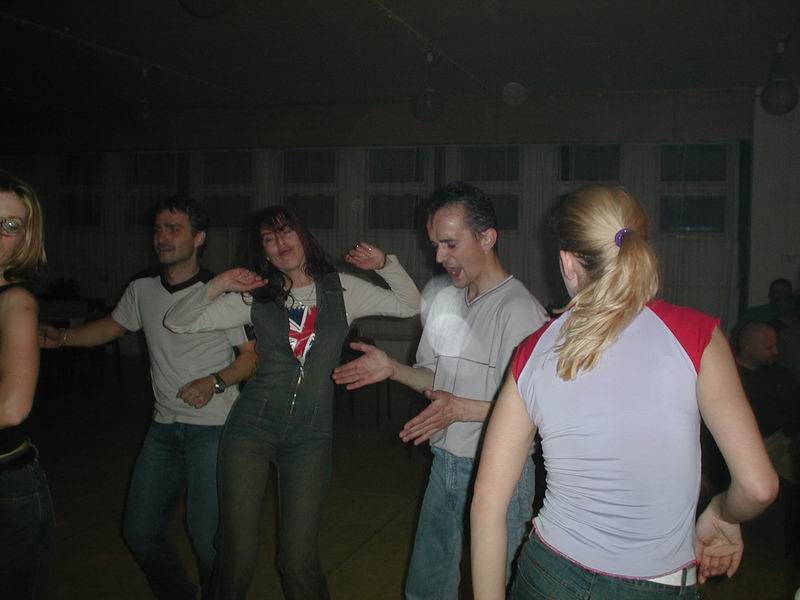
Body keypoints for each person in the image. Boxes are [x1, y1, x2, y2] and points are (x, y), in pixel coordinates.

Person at [470, 184, 779, 600]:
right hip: (656, 586)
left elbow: (487, 507)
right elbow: (759, 487)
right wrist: (723, 513)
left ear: (567, 262)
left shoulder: (533, 352)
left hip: (548, 576)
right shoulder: (697, 336)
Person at [163, 205, 421, 600]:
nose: (280, 242)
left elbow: (410, 305)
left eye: (285, 231)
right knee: (237, 555)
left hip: (309, 438)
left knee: (297, 559)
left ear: (302, 236)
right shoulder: (255, 297)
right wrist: (218, 285)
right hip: (250, 431)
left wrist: (385, 264)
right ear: (264, 253)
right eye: (269, 238)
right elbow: (178, 322)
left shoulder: (342, 289)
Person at [332, 181, 548, 599]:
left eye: (450, 243)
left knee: (499, 588)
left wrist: (460, 409)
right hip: (443, 466)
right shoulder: (445, 300)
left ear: (487, 238)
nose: (439, 257)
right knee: (426, 590)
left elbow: (534, 413)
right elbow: (436, 382)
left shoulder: (520, 312)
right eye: (435, 244)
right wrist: (393, 369)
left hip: (499, 472)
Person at [40, 197, 257, 600]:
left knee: (207, 538)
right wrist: (64, 338)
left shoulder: (222, 293)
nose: (162, 237)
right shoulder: (142, 288)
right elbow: (112, 326)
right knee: (139, 532)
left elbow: (251, 357)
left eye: (174, 229)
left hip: (213, 429)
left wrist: (215, 382)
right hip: (163, 428)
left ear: (199, 238)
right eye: (158, 229)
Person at [0, 171, 51, 599]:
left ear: (25, 239)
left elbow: (12, 408)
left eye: (11, 225)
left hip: (7, 482)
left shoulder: (16, 302)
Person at [735, 320, 800, 484]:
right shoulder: (731, 377)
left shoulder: (782, 376)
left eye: (775, 346)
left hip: (781, 445)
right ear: (748, 347)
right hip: (744, 446)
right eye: (769, 348)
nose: (775, 352)